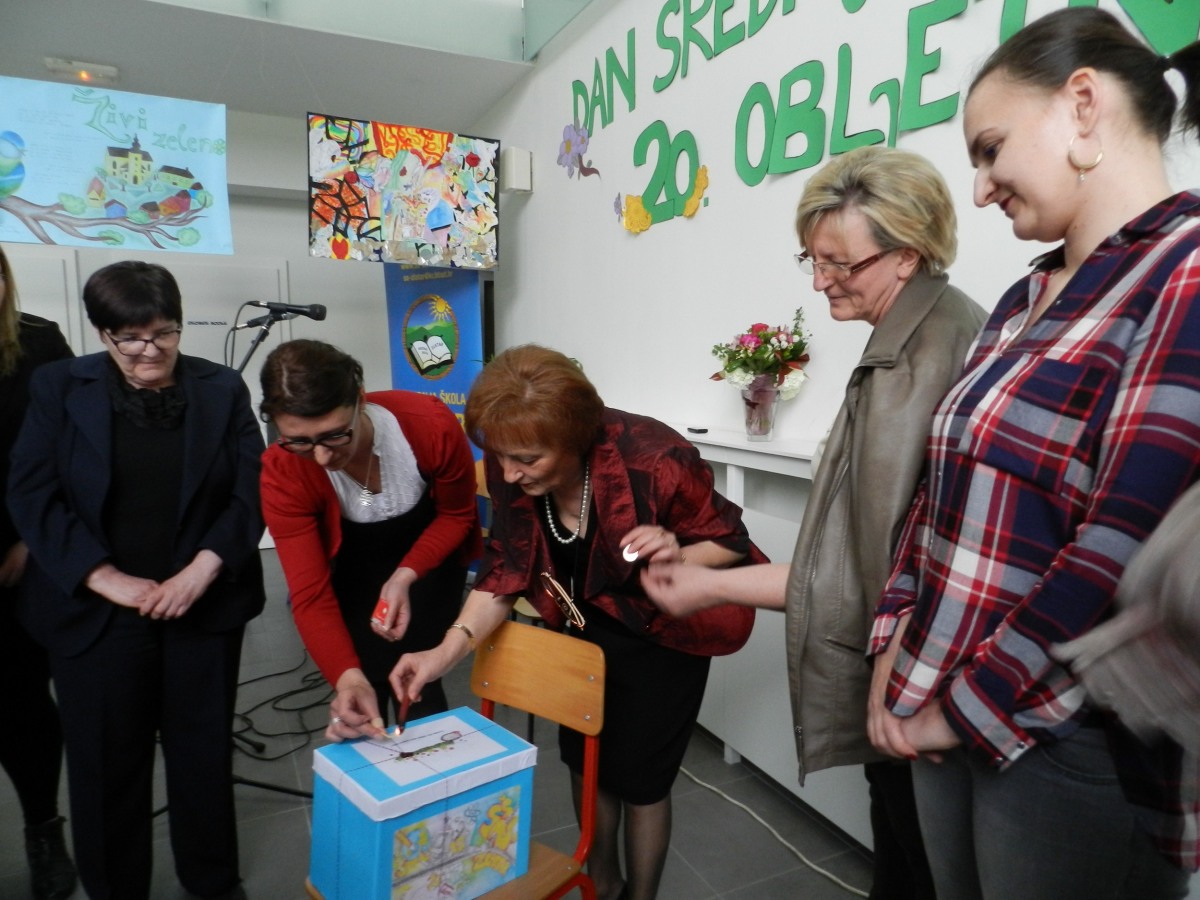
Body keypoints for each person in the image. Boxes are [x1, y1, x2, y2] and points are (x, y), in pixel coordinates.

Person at [866, 9, 1200, 898]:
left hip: (1060, 732)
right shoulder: (1025, 296)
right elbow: (937, 493)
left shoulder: (1185, 270)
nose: (980, 191)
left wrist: (960, 705)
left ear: (1082, 105)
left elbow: (1118, 543)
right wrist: (893, 641)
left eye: (990, 150)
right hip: (936, 689)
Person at [641, 146, 986, 900]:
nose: (821, 279)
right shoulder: (927, 329)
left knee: (916, 862)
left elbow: (866, 576)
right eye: (813, 259)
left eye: (839, 263)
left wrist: (709, 585)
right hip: (921, 676)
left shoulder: (916, 364)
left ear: (907, 254)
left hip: (916, 681)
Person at [390, 344, 766, 900]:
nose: (508, 474)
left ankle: (640, 895)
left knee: (641, 781)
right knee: (585, 758)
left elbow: (729, 541)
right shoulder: (513, 464)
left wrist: (675, 556)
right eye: (500, 456)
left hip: (664, 634)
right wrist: (440, 655)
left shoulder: (655, 459)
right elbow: (506, 570)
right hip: (583, 627)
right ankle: (602, 880)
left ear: (577, 438)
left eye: (527, 459)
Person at [7, 260, 266, 900]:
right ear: (102, 333)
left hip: (202, 605)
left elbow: (251, 491)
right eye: (130, 338)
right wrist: (103, 577)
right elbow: (33, 494)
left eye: (164, 333)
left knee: (202, 754)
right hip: (98, 614)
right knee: (105, 766)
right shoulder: (58, 386)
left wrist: (202, 569)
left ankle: (212, 883)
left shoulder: (222, 388)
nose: (150, 350)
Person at [258, 339, 481, 737]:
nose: (322, 457)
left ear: (360, 399)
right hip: (351, 579)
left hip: (429, 568)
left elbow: (456, 515)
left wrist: (405, 575)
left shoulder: (426, 425)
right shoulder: (284, 471)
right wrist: (346, 679)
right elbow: (310, 594)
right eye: (300, 441)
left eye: (334, 435)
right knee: (362, 691)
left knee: (422, 687)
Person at [0, 246, 77, 900]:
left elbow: (71, 451)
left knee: (21, 701)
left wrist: (32, 538)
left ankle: (43, 827)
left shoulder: (40, 343)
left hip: (24, 553)